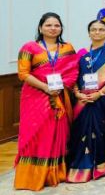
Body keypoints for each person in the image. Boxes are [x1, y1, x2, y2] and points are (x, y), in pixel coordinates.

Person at [15, 13, 79, 191]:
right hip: (35, 96)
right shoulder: (29, 47)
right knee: (36, 133)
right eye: (49, 25)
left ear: (61, 28)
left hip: (60, 94)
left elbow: (74, 71)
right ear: (40, 28)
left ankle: (54, 174)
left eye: (56, 25)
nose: (53, 28)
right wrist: (45, 87)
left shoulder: (67, 48)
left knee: (58, 132)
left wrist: (60, 87)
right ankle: (32, 177)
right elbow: (23, 74)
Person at [66, 20, 105, 183]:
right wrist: (77, 93)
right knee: (80, 131)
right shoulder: (81, 54)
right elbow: (73, 76)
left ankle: (102, 165)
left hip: (103, 98)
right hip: (83, 99)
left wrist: (100, 92)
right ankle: (81, 165)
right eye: (93, 30)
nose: (97, 32)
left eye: (101, 29)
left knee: (103, 129)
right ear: (89, 33)